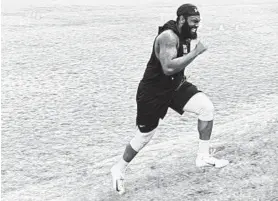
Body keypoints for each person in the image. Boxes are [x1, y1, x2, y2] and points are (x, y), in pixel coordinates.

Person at [111, 3, 229, 195]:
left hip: (175, 87)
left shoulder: (185, 35)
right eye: (193, 22)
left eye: (198, 22)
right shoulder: (168, 37)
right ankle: (118, 168)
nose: (196, 26)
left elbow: (175, 70)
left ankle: (203, 157)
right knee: (144, 136)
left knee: (206, 108)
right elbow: (168, 67)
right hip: (152, 93)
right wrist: (196, 52)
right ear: (181, 19)